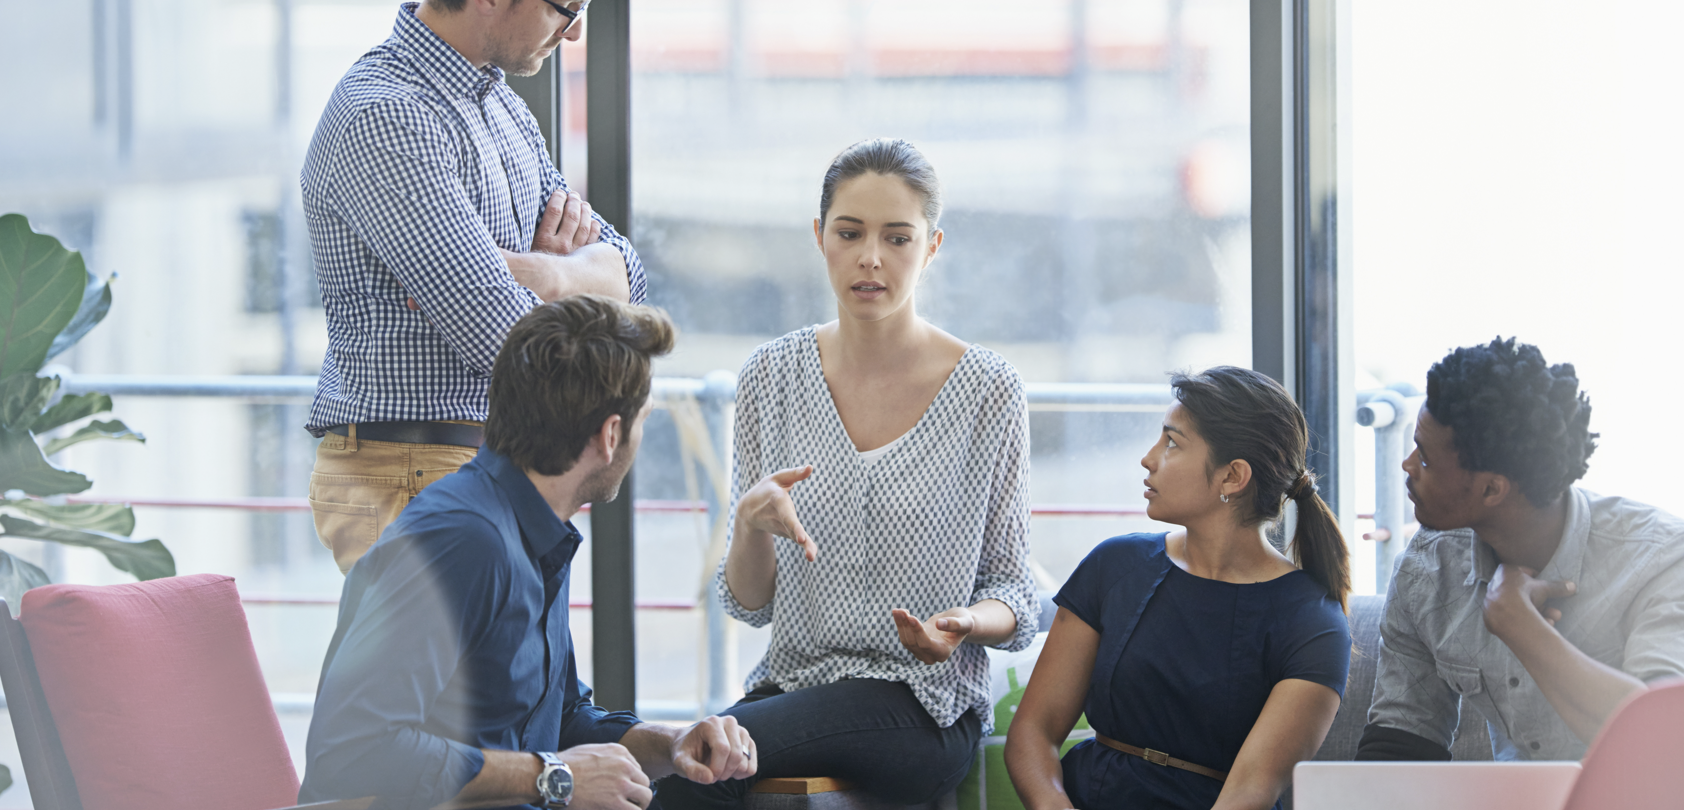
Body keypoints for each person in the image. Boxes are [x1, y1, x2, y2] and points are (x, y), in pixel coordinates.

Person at [654, 139, 1038, 810]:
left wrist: (964, 624)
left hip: (923, 709)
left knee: (697, 761)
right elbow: (750, 602)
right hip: (794, 692)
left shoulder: (988, 391)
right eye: (850, 232)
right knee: (700, 776)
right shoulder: (770, 378)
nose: (871, 257)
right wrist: (748, 524)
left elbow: (1015, 591)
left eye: (897, 238)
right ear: (819, 237)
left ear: (932, 246)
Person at [301, 0, 646, 572]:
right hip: (413, 468)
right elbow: (502, 339)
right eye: (563, 8)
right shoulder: (389, 117)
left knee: (518, 686)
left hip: (479, 463)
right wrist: (570, 292)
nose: (573, 33)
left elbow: (628, 273)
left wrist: (543, 272)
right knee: (452, 686)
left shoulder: (500, 108)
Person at [301, 295, 754, 810]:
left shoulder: (535, 528)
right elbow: (352, 752)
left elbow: (556, 719)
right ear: (611, 435)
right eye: (643, 419)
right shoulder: (462, 539)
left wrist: (670, 744)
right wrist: (554, 776)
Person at [1005, 367, 1351, 810]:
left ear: (1232, 477)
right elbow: (1033, 732)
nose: (1148, 458)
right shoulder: (1113, 566)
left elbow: (1252, 790)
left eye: (1172, 442)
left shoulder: (1313, 621)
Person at [1357, 337, 1684, 761]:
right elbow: (1399, 742)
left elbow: (1664, 744)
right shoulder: (1427, 569)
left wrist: (1520, 627)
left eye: (1425, 459)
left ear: (1492, 489)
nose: (1406, 466)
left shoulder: (1658, 561)